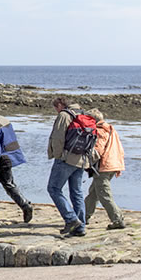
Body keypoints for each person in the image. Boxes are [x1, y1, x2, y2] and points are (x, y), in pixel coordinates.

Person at [48, 97, 93, 237]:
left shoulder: (64, 115)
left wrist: (58, 155)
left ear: (61, 105)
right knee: (77, 192)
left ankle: (71, 219)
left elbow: (58, 138)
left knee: (54, 189)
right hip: (81, 158)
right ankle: (80, 227)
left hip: (66, 159)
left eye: (56, 107)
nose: (56, 110)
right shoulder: (83, 114)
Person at [86, 108, 127, 230]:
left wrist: (86, 161)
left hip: (105, 166)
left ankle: (117, 219)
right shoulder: (111, 130)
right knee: (94, 193)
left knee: (104, 194)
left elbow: (97, 150)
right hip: (114, 164)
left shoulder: (100, 131)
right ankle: (83, 216)